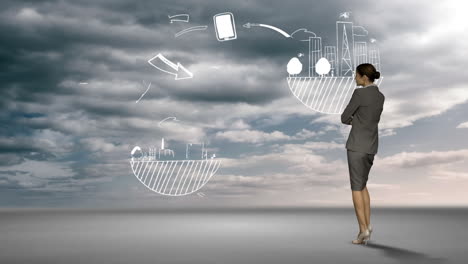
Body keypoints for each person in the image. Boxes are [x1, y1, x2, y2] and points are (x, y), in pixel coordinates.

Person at [341, 63, 385, 245]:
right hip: (371, 146)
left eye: (356, 75)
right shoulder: (380, 96)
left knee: (356, 188)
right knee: (363, 185)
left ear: (364, 77)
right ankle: (368, 225)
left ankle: (362, 230)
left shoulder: (359, 93)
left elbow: (344, 117)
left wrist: (356, 122)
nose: (354, 78)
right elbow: (371, 119)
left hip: (357, 146)